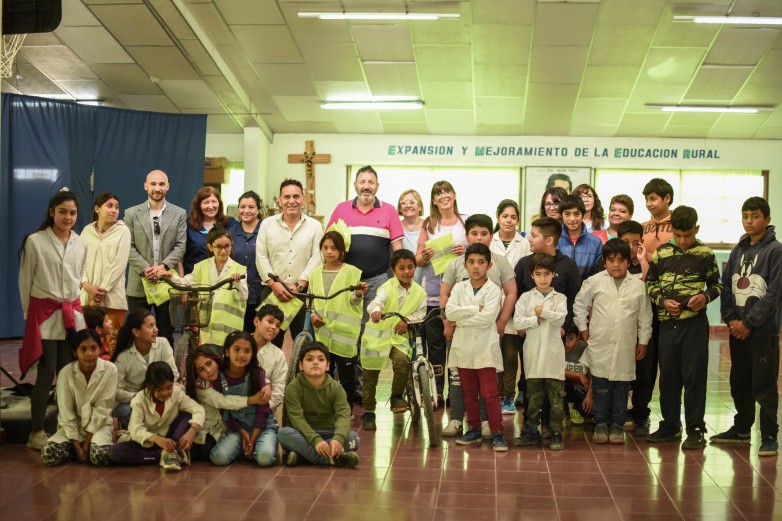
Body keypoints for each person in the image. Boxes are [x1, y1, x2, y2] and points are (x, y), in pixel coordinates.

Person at [645, 206, 723, 450]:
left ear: (696, 230)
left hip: (694, 325)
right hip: (668, 324)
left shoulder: (705, 254)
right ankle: (669, 425)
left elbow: (717, 285)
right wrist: (662, 301)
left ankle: (696, 429)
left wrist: (705, 297)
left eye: (687, 235)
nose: (682, 240)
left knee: (694, 377)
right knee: (668, 377)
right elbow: (650, 283)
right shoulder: (661, 253)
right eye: (678, 235)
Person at [327, 166, 404, 401]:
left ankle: (362, 389)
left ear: (377, 186)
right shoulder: (341, 209)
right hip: (347, 281)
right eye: (362, 181)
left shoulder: (389, 211)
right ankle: (345, 385)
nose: (366, 186)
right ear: (355, 185)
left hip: (378, 280)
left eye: (371, 182)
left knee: (369, 334)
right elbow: (331, 243)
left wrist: (398, 280)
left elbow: (397, 249)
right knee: (346, 332)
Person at [712, 197, 782, 457]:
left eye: (754, 216)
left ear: (767, 219)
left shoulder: (775, 250)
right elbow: (727, 286)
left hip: (762, 331)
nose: (749, 221)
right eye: (745, 216)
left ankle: (769, 436)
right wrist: (731, 320)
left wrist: (748, 323)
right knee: (739, 382)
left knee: (763, 385)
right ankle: (741, 429)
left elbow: (774, 294)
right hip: (737, 329)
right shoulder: (737, 250)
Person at [19, 190, 87, 450]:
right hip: (44, 316)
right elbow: (25, 281)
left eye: (72, 213)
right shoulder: (35, 242)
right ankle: (36, 431)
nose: (67, 217)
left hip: (71, 316)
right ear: (52, 212)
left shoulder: (81, 244)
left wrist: (77, 313)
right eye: (62, 212)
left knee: (69, 373)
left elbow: (78, 278)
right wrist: (29, 318)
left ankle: (66, 426)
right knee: (46, 373)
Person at [439, 214, 517, 438]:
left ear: (490, 236)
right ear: (467, 236)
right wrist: (449, 321)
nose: (479, 237)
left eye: (484, 233)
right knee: (460, 379)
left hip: (486, 333)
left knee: (487, 383)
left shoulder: (500, 262)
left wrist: (500, 321)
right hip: (458, 332)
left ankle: (486, 423)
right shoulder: (456, 263)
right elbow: (445, 296)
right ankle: (457, 420)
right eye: (474, 233)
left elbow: (511, 292)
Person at [574, 239, 652, 445]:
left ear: (629, 261)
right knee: (600, 385)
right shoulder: (594, 282)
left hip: (626, 345)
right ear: (604, 261)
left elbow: (645, 315)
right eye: (611, 260)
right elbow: (580, 305)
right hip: (600, 343)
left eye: (621, 260)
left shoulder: (638, 286)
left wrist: (643, 341)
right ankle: (600, 424)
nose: (616, 264)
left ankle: (617, 425)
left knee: (621, 387)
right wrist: (583, 329)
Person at [513, 217, 581, 428]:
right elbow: (517, 296)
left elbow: (574, 300)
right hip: (530, 333)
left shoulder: (568, 266)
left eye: (533, 235)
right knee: (530, 379)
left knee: (553, 381)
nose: (529, 239)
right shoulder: (525, 263)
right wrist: (524, 326)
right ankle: (530, 426)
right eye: (538, 274)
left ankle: (552, 427)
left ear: (549, 240)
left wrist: (566, 329)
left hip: (555, 333)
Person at [445, 243, 506, 452]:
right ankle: (474, 428)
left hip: (485, 349)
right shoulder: (458, 288)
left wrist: (460, 320)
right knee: (468, 391)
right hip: (463, 347)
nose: (476, 267)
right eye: (471, 262)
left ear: (489, 266)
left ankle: (497, 432)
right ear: (465, 265)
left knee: (489, 392)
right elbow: (450, 313)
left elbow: (487, 318)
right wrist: (472, 309)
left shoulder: (494, 290)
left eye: (481, 262)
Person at [362, 249, 427, 430]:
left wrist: (406, 320)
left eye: (410, 267)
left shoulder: (420, 292)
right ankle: (368, 411)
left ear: (415, 267)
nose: (407, 272)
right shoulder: (386, 287)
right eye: (401, 268)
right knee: (370, 376)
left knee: (402, 362)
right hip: (376, 338)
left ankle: (397, 396)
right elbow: (377, 301)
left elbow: (420, 313)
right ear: (393, 270)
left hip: (398, 339)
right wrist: (375, 311)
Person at [416, 181, 468, 401]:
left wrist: (463, 251)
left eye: (447, 191)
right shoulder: (428, 224)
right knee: (436, 345)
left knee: (458, 345)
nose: (444, 196)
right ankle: (436, 391)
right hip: (433, 293)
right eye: (439, 193)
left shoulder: (465, 222)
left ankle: (456, 393)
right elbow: (416, 260)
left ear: (454, 195)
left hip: (461, 293)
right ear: (434, 200)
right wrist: (425, 255)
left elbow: (477, 253)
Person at [257, 179, 323, 347]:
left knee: (303, 345)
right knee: (269, 344)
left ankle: (300, 374)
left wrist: (300, 285)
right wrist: (274, 284)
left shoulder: (315, 226)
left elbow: (318, 257)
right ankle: (269, 374)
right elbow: (261, 256)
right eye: (286, 197)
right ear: (280, 200)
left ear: (303, 199)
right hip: (272, 292)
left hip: (302, 294)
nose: (291, 201)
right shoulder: (267, 224)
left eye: (296, 196)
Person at [125, 169, 187, 346]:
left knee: (165, 336)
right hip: (138, 284)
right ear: (146, 186)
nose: (157, 188)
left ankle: (164, 372)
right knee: (137, 335)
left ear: (167, 186)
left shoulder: (179, 214)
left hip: (166, 283)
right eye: (153, 184)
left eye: (161, 184)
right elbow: (127, 246)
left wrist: (163, 268)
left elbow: (180, 246)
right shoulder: (131, 214)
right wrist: (146, 269)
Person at [513, 253, 568, 451]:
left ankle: (556, 432)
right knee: (533, 397)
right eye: (538, 274)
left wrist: (542, 312)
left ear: (553, 274)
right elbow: (518, 321)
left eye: (547, 274)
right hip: (533, 354)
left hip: (554, 356)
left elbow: (560, 319)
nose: (543, 278)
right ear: (532, 275)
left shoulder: (560, 298)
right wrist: (536, 319)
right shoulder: (525, 298)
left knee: (555, 399)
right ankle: (531, 431)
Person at [40, 329, 117, 467]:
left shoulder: (110, 370)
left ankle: (87, 448)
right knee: (49, 454)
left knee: (100, 456)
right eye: (83, 349)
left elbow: (103, 408)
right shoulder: (65, 372)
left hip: (99, 425)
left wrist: (86, 443)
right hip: (71, 427)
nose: (89, 354)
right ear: (75, 352)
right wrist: (76, 445)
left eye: (94, 348)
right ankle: (74, 449)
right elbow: (65, 412)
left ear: (100, 349)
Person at [109, 362, 205, 471]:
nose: (165, 393)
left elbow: (199, 409)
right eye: (159, 389)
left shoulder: (177, 393)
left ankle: (171, 452)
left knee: (187, 414)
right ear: (150, 386)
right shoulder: (139, 400)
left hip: (172, 438)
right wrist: (157, 439)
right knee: (114, 452)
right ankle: (165, 454)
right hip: (149, 442)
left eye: (169, 387)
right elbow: (135, 430)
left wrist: (192, 432)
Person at [308, 231, 368, 406]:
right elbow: (310, 301)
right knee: (323, 374)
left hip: (344, 336)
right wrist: (312, 315)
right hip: (323, 334)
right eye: (325, 248)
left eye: (334, 248)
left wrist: (357, 293)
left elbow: (354, 301)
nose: (329, 252)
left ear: (341, 251)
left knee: (347, 377)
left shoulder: (352, 272)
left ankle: (346, 409)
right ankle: (325, 408)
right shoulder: (314, 274)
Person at [278, 341, 360, 468]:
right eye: (309, 359)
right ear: (301, 365)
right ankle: (332, 459)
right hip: (304, 434)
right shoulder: (293, 388)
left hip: (330, 433)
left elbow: (344, 416)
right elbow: (297, 419)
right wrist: (316, 440)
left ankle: (302, 456)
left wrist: (337, 439)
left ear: (327, 366)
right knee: (283, 434)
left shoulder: (336, 388)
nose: (315, 362)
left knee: (354, 438)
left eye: (321, 359)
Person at [162, 227, 248, 347]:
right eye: (218, 247)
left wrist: (237, 283)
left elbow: (243, 296)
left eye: (227, 246)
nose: (223, 251)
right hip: (207, 329)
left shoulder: (239, 269)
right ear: (210, 247)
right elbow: (185, 283)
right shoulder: (201, 267)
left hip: (230, 331)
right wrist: (171, 276)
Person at [184, 344, 267, 461]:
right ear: (196, 374)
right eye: (201, 369)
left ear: (215, 359)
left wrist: (266, 385)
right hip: (208, 428)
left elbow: (257, 372)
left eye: (209, 363)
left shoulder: (227, 371)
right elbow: (221, 401)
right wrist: (251, 400)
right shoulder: (200, 385)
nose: (208, 371)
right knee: (201, 451)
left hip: (232, 426)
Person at [208, 332, 276, 467]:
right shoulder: (219, 378)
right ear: (227, 352)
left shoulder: (257, 374)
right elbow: (224, 411)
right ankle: (246, 447)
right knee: (218, 458)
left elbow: (262, 409)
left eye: (247, 351)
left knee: (264, 458)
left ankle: (261, 443)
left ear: (252, 354)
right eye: (236, 350)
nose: (241, 355)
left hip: (262, 428)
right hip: (238, 430)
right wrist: (242, 432)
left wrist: (253, 438)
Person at [491, 199, 530, 414]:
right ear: (498, 217)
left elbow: (523, 277)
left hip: (513, 305)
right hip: (490, 305)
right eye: (505, 216)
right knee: (492, 353)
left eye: (513, 217)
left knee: (509, 355)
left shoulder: (523, 244)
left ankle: (508, 397)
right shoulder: (490, 241)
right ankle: (493, 395)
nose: (509, 220)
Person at [111, 308, 179, 429]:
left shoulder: (163, 343)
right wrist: (144, 396)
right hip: (133, 400)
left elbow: (174, 374)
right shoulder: (123, 357)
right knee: (124, 409)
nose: (156, 330)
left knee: (180, 392)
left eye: (155, 325)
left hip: (160, 394)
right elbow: (117, 392)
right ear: (136, 332)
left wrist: (157, 393)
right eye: (150, 326)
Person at [80, 192, 131, 330]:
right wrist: (86, 286)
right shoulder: (86, 231)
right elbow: (80, 262)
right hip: (86, 297)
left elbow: (119, 266)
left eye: (116, 207)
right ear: (97, 209)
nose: (114, 210)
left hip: (112, 300)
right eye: (109, 206)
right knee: (88, 342)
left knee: (111, 345)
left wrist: (99, 294)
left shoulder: (123, 231)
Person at [228, 190, 263, 332]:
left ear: (258, 209)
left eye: (251, 207)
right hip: (236, 290)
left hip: (261, 291)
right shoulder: (231, 232)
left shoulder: (266, 229)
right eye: (242, 207)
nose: (246, 211)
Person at [183, 186, 232, 275]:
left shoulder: (230, 224)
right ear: (198, 205)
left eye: (214, 202)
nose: (211, 206)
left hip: (222, 279)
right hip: (194, 279)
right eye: (206, 202)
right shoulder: (187, 225)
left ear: (219, 204)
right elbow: (180, 256)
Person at [252, 304, 289, 414]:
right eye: (270, 321)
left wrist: (263, 410)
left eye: (278, 325)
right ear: (257, 321)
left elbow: (279, 390)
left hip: (263, 412)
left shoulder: (278, 355)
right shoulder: (239, 345)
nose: (274, 327)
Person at [557, 194, 603, 281]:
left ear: (583, 214)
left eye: (577, 214)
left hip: (588, 292)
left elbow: (599, 275)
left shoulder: (596, 242)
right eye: (567, 214)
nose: (572, 219)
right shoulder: (554, 240)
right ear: (561, 215)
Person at [563, 324, 592, 426]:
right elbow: (554, 370)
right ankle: (565, 410)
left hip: (584, 390)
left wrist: (589, 396)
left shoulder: (585, 348)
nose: (566, 343)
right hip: (567, 388)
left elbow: (595, 374)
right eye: (564, 339)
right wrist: (578, 375)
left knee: (590, 412)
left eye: (570, 339)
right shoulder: (557, 346)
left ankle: (578, 410)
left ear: (578, 336)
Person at [641, 178, 674, 262]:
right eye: (646, 199)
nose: (648, 204)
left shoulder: (679, 226)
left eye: (652, 199)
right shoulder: (642, 227)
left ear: (667, 198)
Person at [397, 189, 425, 285]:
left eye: (412, 202)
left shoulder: (429, 226)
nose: (408, 205)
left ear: (420, 207)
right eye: (404, 203)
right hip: (401, 281)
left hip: (425, 281)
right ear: (400, 208)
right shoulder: (395, 227)